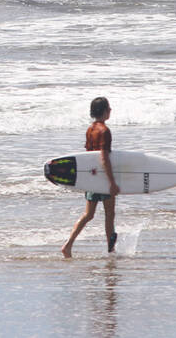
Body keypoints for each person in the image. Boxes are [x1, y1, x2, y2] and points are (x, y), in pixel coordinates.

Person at [61, 97, 120, 258]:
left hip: (92, 176)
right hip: (102, 178)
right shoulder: (104, 131)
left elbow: (87, 156)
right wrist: (112, 182)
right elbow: (104, 158)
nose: (111, 110)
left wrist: (88, 179)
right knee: (109, 215)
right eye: (109, 107)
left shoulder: (90, 129)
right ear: (104, 111)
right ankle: (111, 250)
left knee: (88, 215)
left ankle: (68, 244)